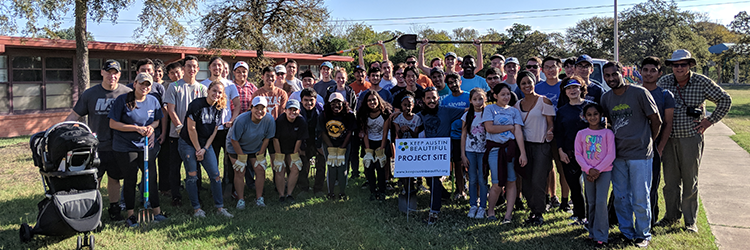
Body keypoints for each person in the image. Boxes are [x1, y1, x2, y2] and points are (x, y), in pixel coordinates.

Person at [656, 49, 731, 233]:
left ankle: (690, 222)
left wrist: (709, 121)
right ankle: (671, 216)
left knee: (691, 180)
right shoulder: (664, 82)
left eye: (683, 64)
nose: (679, 68)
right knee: (670, 181)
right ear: (671, 66)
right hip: (668, 137)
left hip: (691, 137)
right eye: (675, 65)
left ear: (690, 65)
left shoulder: (701, 81)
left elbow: (725, 99)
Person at [601, 61, 661, 248]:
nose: (611, 78)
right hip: (617, 155)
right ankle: (626, 231)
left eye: (614, 74)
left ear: (622, 73)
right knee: (620, 196)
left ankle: (643, 233)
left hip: (640, 154)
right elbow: (608, 124)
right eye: (607, 75)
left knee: (640, 196)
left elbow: (656, 120)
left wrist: (648, 140)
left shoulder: (639, 93)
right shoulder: (606, 98)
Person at [66, 59, 131, 221]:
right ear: (102, 72)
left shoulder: (126, 93)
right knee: (95, 179)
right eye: (108, 72)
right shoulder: (90, 94)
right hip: (96, 146)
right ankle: (92, 209)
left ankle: (114, 208)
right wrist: (63, 129)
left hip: (118, 145)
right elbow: (75, 115)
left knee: (115, 178)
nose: (112, 76)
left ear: (119, 75)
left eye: (115, 73)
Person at [109, 73, 167, 227]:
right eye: (142, 83)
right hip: (125, 147)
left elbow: (156, 121)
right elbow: (113, 124)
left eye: (148, 84)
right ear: (135, 84)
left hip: (145, 146)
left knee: (151, 177)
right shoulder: (123, 100)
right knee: (130, 179)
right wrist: (135, 128)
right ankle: (131, 215)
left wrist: (150, 128)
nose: (145, 87)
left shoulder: (153, 101)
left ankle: (156, 212)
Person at [177, 81, 234, 218]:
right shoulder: (196, 105)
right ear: (208, 91)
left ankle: (220, 208)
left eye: (220, 92)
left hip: (204, 144)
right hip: (188, 142)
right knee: (192, 175)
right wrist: (198, 149)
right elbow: (191, 129)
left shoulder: (219, 108)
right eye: (214, 91)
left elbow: (215, 130)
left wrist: (205, 148)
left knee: (215, 175)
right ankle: (197, 209)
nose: (216, 94)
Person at [164, 55, 207, 207]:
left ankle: (196, 195)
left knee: (195, 167)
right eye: (188, 66)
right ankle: (176, 197)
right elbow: (171, 109)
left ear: (198, 69)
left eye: (194, 66)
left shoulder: (202, 89)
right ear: (183, 69)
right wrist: (180, 128)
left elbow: (204, 112)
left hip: (195, 137)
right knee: (175, 167)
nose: (192, 69)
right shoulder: (174, 87)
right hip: (176, 135)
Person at [513, 70, 555, 225]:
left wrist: (550, 133)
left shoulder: (544, 101)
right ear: (519, 86)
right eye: (523, 83)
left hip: (541, 146)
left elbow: (551, 124)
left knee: (538, 180)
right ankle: (532, 208)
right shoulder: (517, 105)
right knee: (526, 180)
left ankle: (538, 213)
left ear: (534, 83)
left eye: (529, 82)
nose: (526, 86)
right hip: (524, 147)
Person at [481, 83, 528, 223]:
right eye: (502, 94)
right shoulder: (490, 109)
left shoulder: (514, 111)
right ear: (495, 96)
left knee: (511, 181)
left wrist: (523, 153)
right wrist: (509, 127)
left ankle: (508, 214)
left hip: (510, 149)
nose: (506, 97)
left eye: (508, 94)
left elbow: (518, 132)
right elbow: (489, 128)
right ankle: (491, 211)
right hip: (495, 149)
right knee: (496, 182)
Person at [420, 87, 466, 224]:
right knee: (429, 179)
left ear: (438, 98)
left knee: (434, 178)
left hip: (443, 152)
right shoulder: (420, 114)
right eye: (428, 98)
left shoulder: (447, 110)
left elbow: (466, 111)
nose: (431, 100)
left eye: (434, 97)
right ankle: (444, 195)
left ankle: (434, 211)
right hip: (427, 152)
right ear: (423, 100)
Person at [639, 56, 675, 227]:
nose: (648, 73)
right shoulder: (633, 92)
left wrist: (660, 148)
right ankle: (615, 217)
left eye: (653, 70)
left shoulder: (665, 95)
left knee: (652, 186)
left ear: (660, 73)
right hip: (633, 148)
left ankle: (651, 220)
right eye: (645, 70)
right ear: (640, 72)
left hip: (654, 147)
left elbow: (667, 123)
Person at [574, 103, 616, 248]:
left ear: (601, 115)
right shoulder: (581, 134)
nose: (593, 117)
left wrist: (597, 170)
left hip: (603, 172)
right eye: (589, 115)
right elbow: (578, 154)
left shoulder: (607, 133)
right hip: (587, 172)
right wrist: (588, 169)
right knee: (590, 202)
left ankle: (602, 235)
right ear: (584, 117)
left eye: (595, 114)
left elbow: (611, 154)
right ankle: (591, 232)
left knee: (600, 203)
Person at [554, 76, 592, 226]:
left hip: (590, 153)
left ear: (581, 89)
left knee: (591, 187)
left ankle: (592, 216)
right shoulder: (562, 111)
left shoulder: (591, 107)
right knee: (575, 186)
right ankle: (580, 216)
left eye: (575, 87)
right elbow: (559, 133)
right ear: (565, 91)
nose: (572, 90)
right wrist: (560, 151)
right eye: (569, 88)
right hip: (569, 153)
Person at [200, 57, 241, 196]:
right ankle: (214, 189)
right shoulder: (203, 85)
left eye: (220, 65)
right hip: (211, 130)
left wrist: (232, 120)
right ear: (209, 67)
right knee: (213, 161)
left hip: (227, 129)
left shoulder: (230, 85)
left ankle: (229, 189)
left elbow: (237, 105)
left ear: (224, 68)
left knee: (229, 161)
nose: (217, 68)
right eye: (214, 65)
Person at [227, 97, 275, 208]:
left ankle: (259, 198)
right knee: (240, 171)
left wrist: (261, 154)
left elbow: (267, 138)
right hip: (236, 146)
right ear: (251, 108)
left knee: (260, 170)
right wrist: (241, 157)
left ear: (266, 109)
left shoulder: (269, 120)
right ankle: (241, 199)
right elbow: (234, 140)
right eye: (256, 108)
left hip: (255, 147)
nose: (259, 111)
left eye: (262, 108)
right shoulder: (241, 120)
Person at [536, 56, 569, 212]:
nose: (550, 70)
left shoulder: (566, 86)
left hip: (561, 133)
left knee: (563, 167)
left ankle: (565, 201)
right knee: (545, 168)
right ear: (542, 70)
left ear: (559, 68)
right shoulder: (537, 87)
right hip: (541, 133)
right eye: (547, 67)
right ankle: (549, 197)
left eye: (553, 66)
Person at [271, 99, 309, 203]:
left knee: (295, 167)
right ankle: (281, 195)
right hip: (279, 147)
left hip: (293, 147)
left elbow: (299, 140)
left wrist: (294, 155)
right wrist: (279, 156)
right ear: (285, 110)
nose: (292, 112)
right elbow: (275, 139)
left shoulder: (301, 121)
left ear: (299, 111)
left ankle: (289, 194)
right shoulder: (280, 121)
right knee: (280, 168)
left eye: (295, 110)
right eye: (290, 109)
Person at [441, 73, 470, 200]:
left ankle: (475, 190)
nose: (453, 85)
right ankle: (460, 190)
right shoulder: (446, 100)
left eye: (455, 81)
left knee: (472, 165)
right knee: (457, 164)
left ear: (460, 82)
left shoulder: (469, 96)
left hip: (470, 136)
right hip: (454, 136)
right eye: (450, 83)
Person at [321, 92, 356, 200]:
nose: (336, 105)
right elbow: (322, 132)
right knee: (331, 167)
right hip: (328, 144)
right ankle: (330, 192)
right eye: (333, 103)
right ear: (329, 104)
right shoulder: (324, 114)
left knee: (342, 168)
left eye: (339, 103)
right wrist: (331, 149)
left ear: (343, 103)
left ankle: (342, 192)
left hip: (344, 144)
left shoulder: (349, 115)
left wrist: (342, 149)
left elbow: (350, 132)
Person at [357, 91, 392, 201]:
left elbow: (385, 132)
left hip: (381, 141)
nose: (372, 102)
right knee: (369, 166)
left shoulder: (385, 112)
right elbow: (365, 132)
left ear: (378, 100)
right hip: (369, 142)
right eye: (369, 100)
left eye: (374, 100)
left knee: (380, 166)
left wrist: (381, 149)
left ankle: (382, 191)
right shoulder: (363, 113)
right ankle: (372, 190)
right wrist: (368, 150)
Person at [461, 88, 488, 219]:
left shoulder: (488, 114)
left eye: (481, 99)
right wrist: (463, 154)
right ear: (470, 101)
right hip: (470, 151)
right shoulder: (467, 115)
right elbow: (464, 134)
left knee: (483, 179)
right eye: (475, 99)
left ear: (485, 99)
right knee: (472, 179)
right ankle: (473, 205)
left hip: (483, 151)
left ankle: (483, 206)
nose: (478, 102)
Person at [297, 88, 326, 195]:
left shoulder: (321, 112)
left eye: (311, 100)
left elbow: (323, 130)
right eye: (306, 100)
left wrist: (320, 146)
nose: (309, 103)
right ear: (301, 101)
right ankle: (303, 188)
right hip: (303, 142)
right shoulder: (297, 112)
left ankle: (318, 188)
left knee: (321, 164)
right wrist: (300, 148)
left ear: (316, 100)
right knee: (303, 165)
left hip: (318, 141)